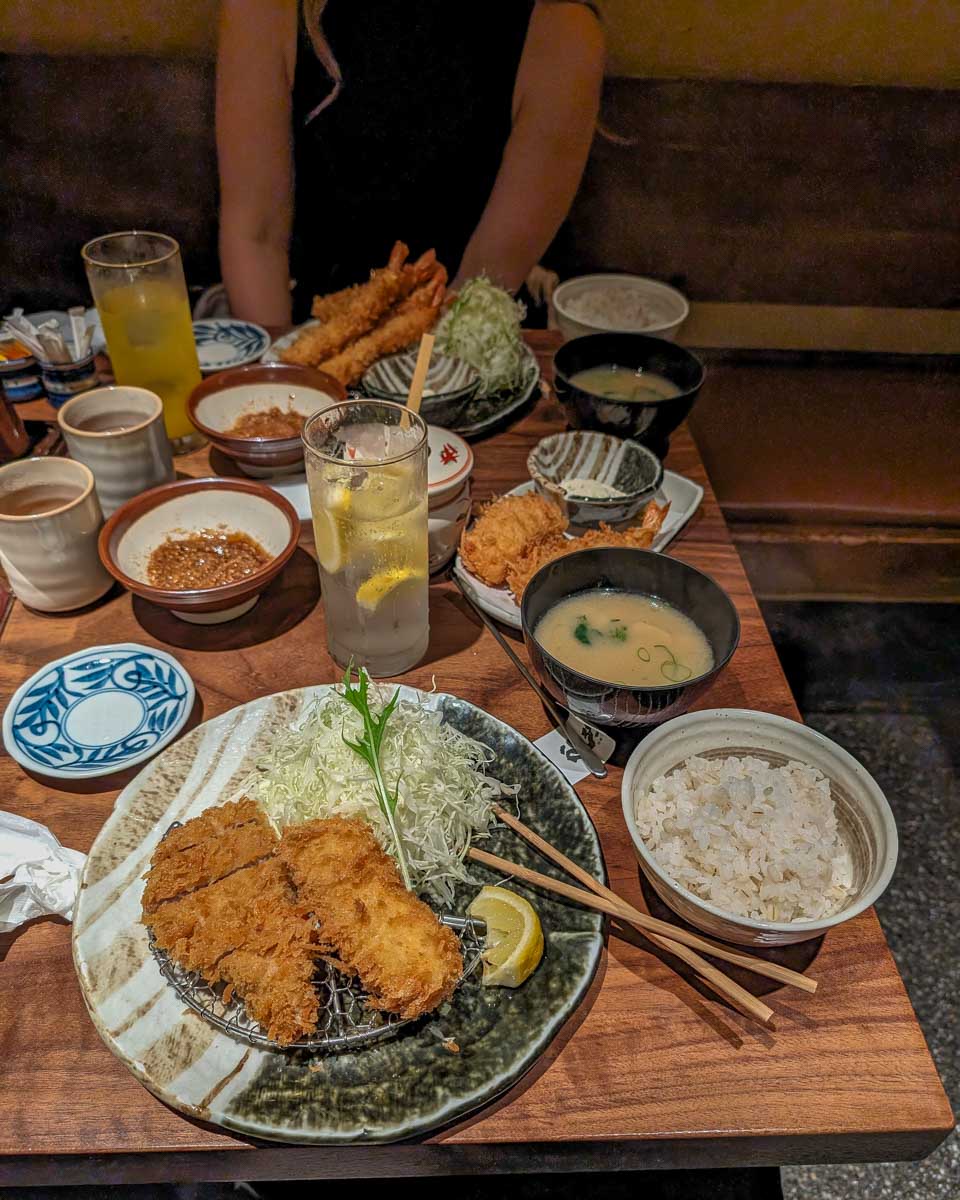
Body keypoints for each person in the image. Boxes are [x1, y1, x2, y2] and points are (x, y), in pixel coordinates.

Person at [216, 0, 604, 328]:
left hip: (471, 347)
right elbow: (256, 235)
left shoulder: (562, 26)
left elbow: (483, 284)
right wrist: (278, 386)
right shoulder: (269, 8)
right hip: (305, 331)